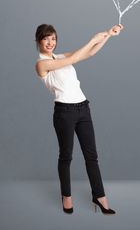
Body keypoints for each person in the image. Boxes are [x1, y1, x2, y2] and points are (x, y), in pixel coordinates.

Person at [35, 23, 124, 214]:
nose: (50, 42)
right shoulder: (41, 64)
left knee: (92, 156)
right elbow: (76, 57)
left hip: (83, 108)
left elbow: (88, 54)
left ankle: (99, 197)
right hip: (64, 113)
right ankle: (66, 196)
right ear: (39, 41)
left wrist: (108, 35)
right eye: (46, 38)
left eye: (53, 38)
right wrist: (92, 38)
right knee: (66, 156)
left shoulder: (61, 56)